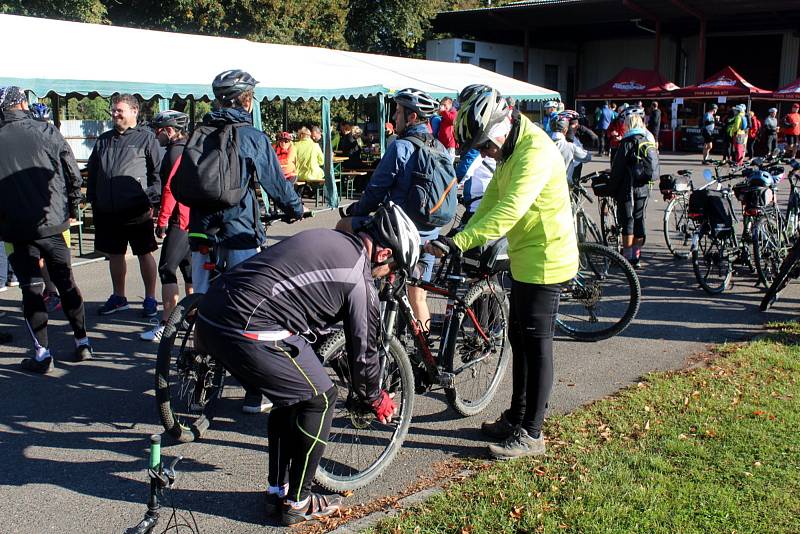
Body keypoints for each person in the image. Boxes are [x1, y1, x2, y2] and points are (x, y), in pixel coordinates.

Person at [195, 203, 415, 525]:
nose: (389, 276)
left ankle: (277, 491)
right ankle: (298, 501)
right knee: (321, 399)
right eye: (393, 268)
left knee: (291, 396)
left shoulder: (328, 239)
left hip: (213, 309)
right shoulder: (359, 277)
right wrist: (373, 396)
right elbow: (364, 352)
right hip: (246, 322)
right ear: (383, 254)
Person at [433, 87, 578, 459]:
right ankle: (517, 416)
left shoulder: (534, 152)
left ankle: (531, 434)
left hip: (548, 257)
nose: (484, 153)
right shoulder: (510, 146)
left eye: (485, 146)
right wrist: (459, 235)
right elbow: (493, 200)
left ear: (501, 126)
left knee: (536, 342)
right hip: (526, 254)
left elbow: (509, 210)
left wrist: (461, 242)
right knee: (518, 336)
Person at [190, 69, 305, 414]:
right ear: (245, 100)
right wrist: (295, 208)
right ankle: (256, 390)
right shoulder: (251, 136)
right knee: (251, 311)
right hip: (239, 231)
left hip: (199, 231)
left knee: (200, 304)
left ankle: (198, 375)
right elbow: (275, 183)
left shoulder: (199, 132)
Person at [0, 86, 92, 373]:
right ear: (23, 103)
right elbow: (72, 173)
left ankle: (42, 353)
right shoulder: (46, 130)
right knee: (66, 282)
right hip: (52, 223)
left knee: (32, 288)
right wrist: (70, 207)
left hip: (14, 228)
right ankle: (82, 342)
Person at [337, 87, 443, 336]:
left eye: (398, 112)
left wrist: (356, 209)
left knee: (345, 227)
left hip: (400, 232)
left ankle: (350, 312)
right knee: (418, 297)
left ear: (412, 117)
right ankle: (424, 358)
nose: (394, 117)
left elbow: (375, 190)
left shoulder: (401, 147)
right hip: (429, 233)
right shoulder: (439, 147)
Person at [87, 93, 162, 318]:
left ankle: (150, 298)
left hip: (137, 210)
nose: (115, 113)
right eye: (114, 110)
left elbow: (159, 173)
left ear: (134, 111)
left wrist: (151, 199)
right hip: (108, 211)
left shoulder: (147, 139)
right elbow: (93, 173)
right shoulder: (103, 140)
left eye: (120, 110)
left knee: (144, 253)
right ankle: (119, 297)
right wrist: (93, 200)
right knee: (115, 254)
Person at [140, 111, 193, 342]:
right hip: (194, 218)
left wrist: (161, 221)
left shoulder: (173, 153)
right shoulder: (190, 148)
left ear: (169, 130)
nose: (155, 134)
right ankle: (193, 316)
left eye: (158, 130)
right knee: (189, 268)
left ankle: (166, 325)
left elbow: (170, 189)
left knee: (166, 269)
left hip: (179, 219)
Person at [611, 107, 657, 269]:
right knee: (639, 219)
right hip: (644, 187)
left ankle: (627, 257)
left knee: (627, 221)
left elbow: (618, 168)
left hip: (627, 187)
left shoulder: (627, 142)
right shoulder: (646, 139)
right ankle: (637, 255)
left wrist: (612, 187)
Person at [550, 111, 591, 185]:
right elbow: (586, 157)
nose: (577, 127)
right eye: (574, 125)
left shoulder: (545, 141)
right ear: (566, 128)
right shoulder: (569, 144)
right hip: (565, 183)